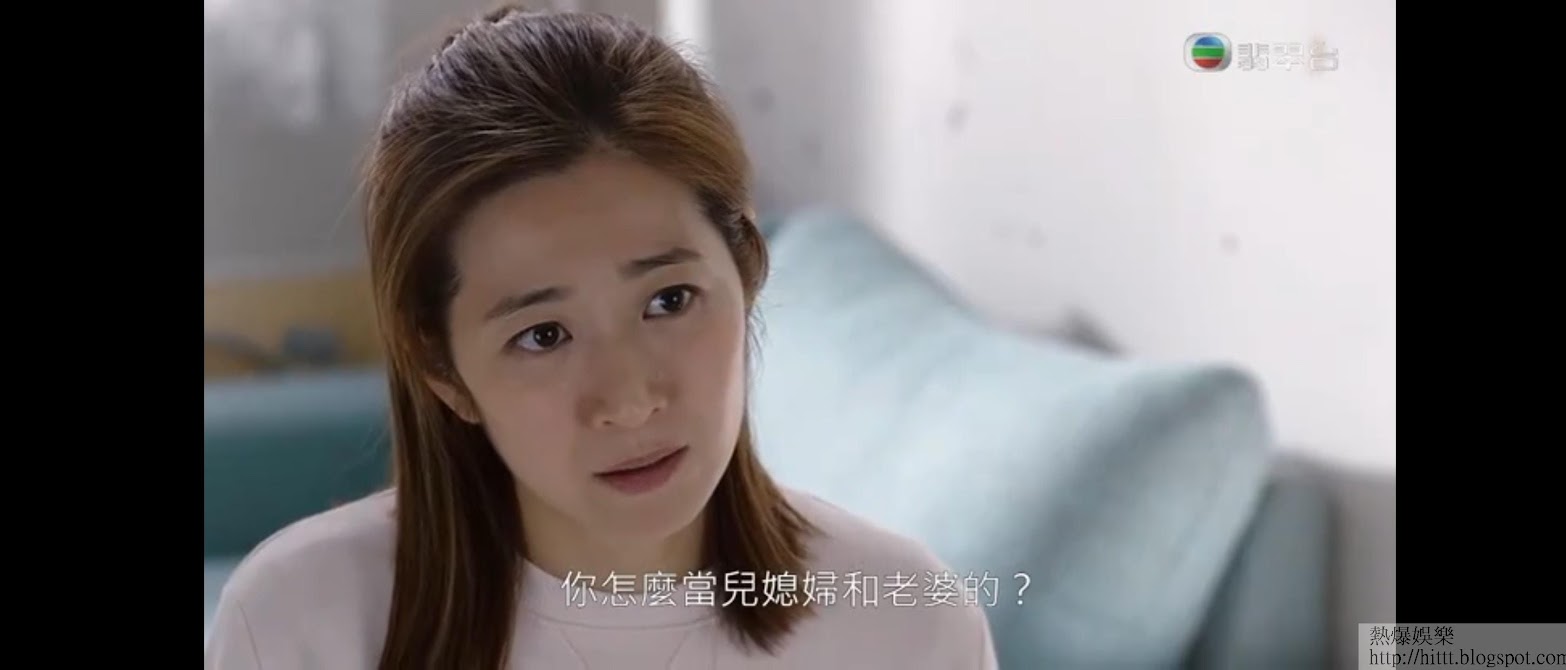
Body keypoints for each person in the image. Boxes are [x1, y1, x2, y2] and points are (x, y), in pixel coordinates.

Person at [204, 6, 998, 669]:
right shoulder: (299, 626)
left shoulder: (909, 627)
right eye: (544, 335)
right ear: (442, 368)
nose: (628, 400)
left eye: (670, 300)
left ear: (747, 270)